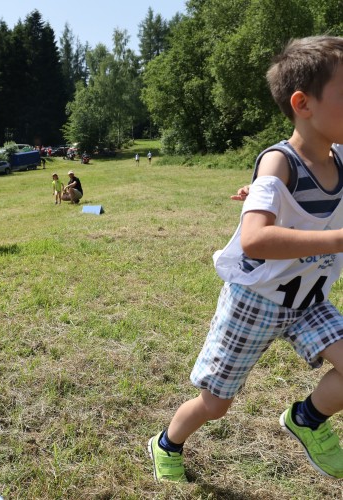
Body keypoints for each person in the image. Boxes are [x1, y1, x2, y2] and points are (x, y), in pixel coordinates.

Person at [148, 35, 343, 483]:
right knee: (216, 404)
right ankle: (167, 443)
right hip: (254, 301)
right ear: (303, 103)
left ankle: (307, 419)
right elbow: (255, 239)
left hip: (307, 300)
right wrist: (335, 238)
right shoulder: (279, 163)